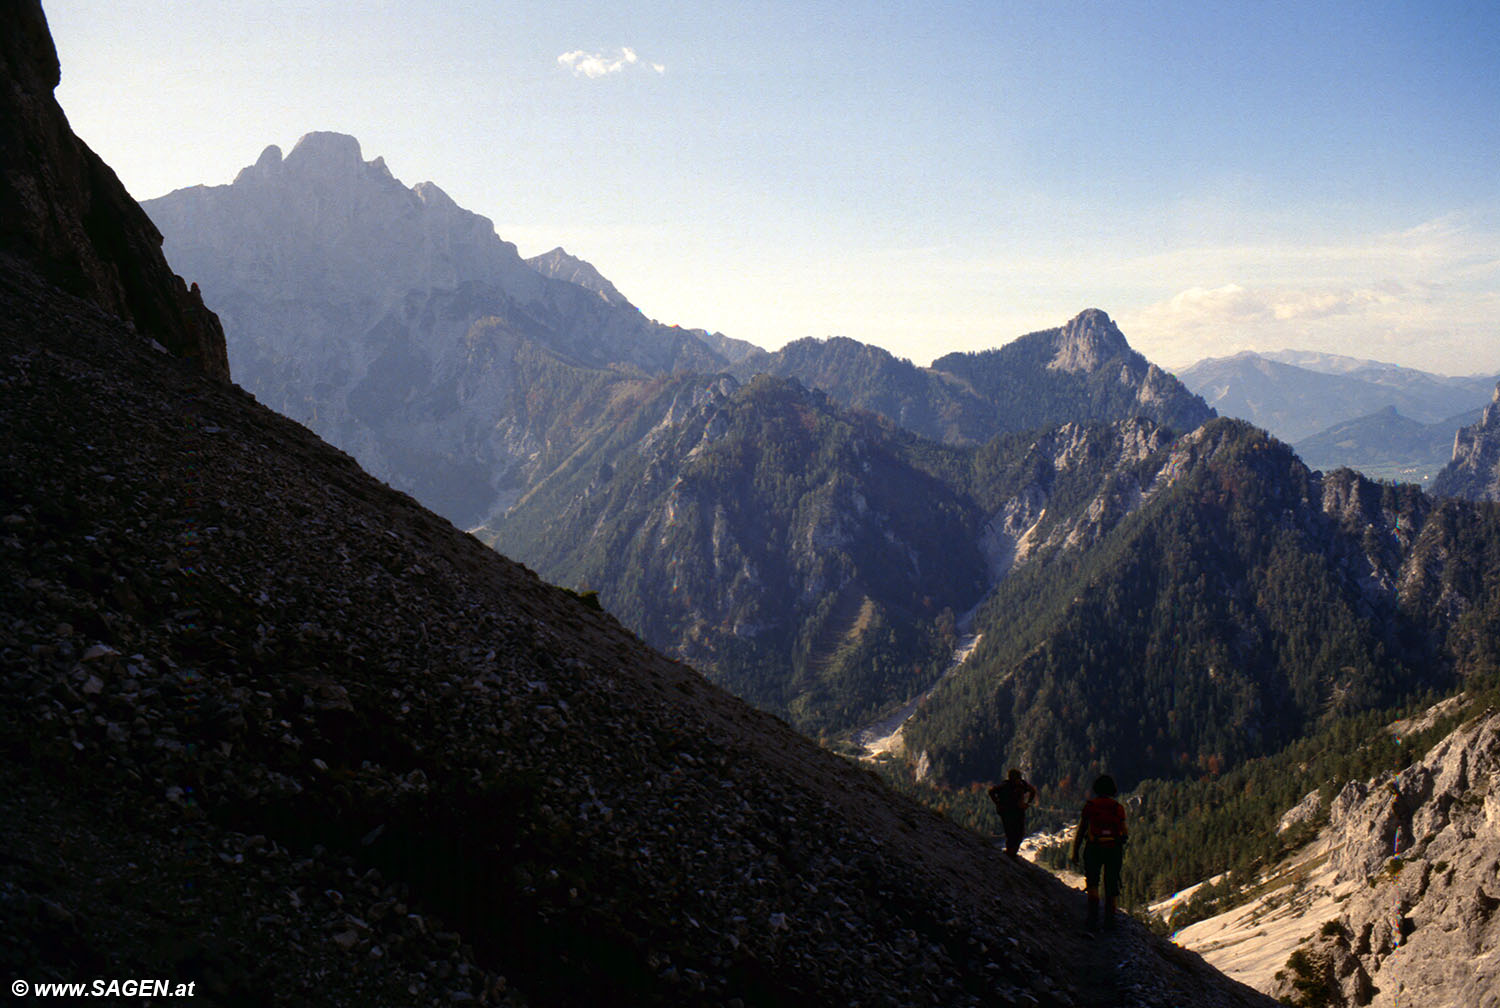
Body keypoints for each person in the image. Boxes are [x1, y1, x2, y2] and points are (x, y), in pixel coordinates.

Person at [1070, 774, 1128, 929]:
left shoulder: (1090, 806)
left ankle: (1093, 918)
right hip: (1113, 849)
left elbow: (1082, 830)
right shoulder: (1117, 808)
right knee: (1111, 884)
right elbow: (1125, 833)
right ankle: (1110, 921)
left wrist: (1075, 851)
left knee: (1093, 882)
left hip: (1094, 847)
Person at [988, 768, 1038, 857]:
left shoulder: (1020, 785)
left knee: (1018, 833)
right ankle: (1010, 852)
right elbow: (991, 791)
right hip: (1008, 811)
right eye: (1016, 778)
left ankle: (1012, 852)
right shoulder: (1006, 785)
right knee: (1011, 833)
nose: (1018, 780)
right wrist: (998, 803)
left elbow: (1032, 791)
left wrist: (1027, 803)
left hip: (1016, 811)